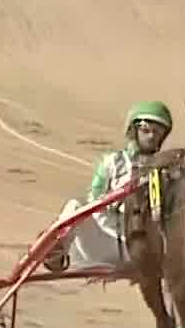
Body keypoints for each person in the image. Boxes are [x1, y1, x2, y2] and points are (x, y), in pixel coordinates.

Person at [43, 101, 174, 272]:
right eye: (145, 130)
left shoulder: (165, 168)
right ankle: (56, 256)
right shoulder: (112, 162)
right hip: (104, 241)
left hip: (139, 248)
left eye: (157, 132)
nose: (151, 136)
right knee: (74, 206)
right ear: (134, 130)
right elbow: (93, 200)